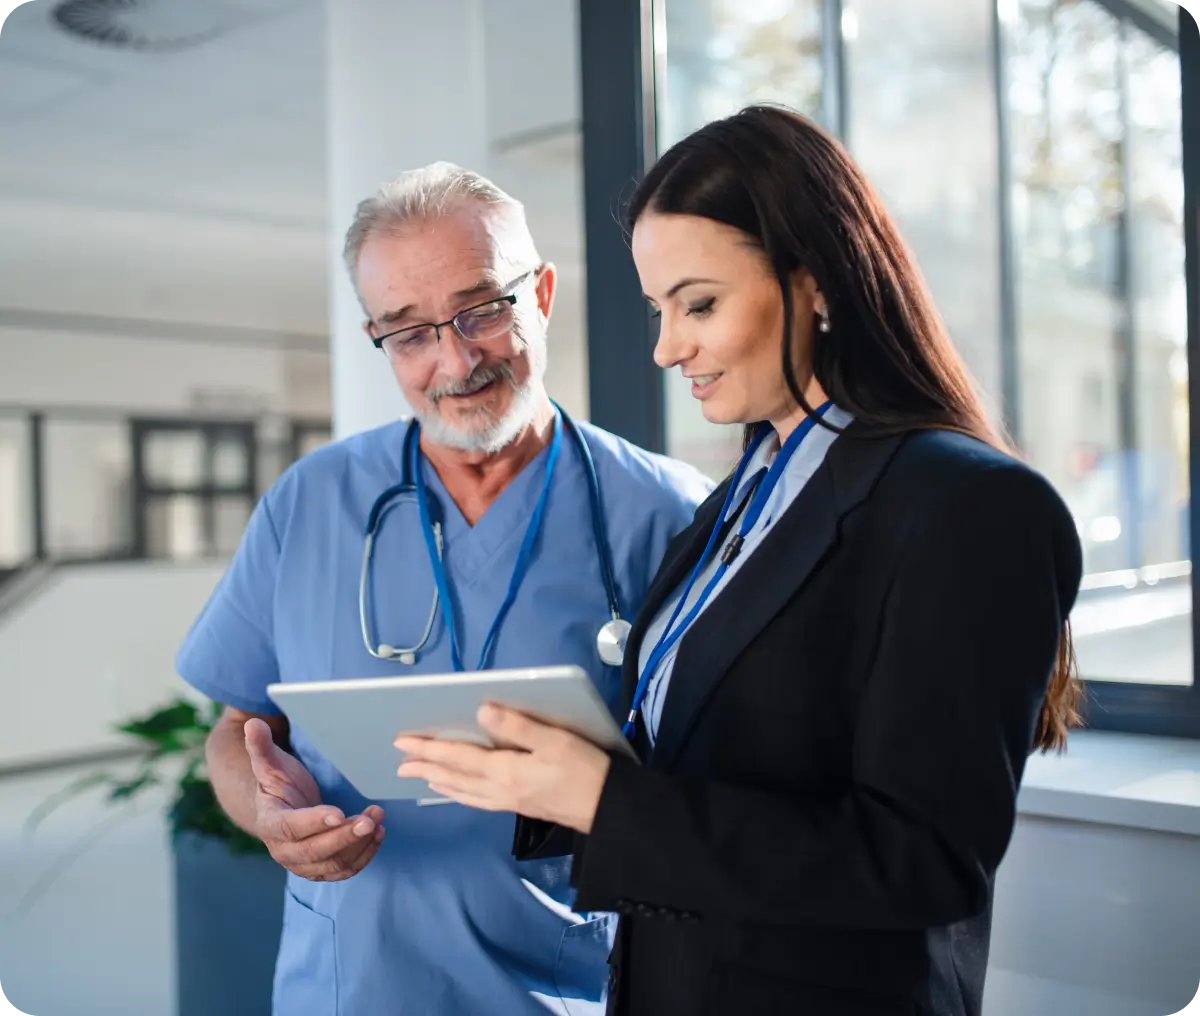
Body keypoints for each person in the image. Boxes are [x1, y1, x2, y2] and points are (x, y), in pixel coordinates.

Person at [392, 106, 1085, 1016]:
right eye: (658, 309)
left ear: (819, 283)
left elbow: (922, 864)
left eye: (700, 304)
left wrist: (610, 802)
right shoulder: (745, 494)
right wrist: (554, 771)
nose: (666, 347)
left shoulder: (966, 505)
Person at [175, 162, 712, 1015]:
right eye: (410, 333)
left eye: (482, 310)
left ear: (540, 292)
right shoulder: (309, 504)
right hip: (347, 989)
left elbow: (719, 787)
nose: (454, 360)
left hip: (569, 987)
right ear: (379, 339)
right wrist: (268, 816)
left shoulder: (666, 513)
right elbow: (237, 729)